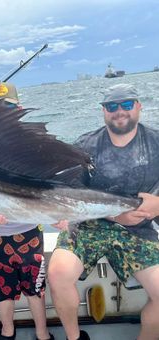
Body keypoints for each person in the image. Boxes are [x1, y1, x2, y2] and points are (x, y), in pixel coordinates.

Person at [47, 83, 159, 340]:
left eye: (127, 104)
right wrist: (59, 212)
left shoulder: (156, 142)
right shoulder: (85, 145)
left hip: (138, 230)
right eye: (112, 106)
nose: (120, 111)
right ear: (104, 111)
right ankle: (74, 338)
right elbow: (65, 190)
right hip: (88, 225)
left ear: (139, 106)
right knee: (58, 273)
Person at [0, 83, 54, 340]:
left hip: (29, 231)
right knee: (2, 290)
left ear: (19, 109)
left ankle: (42, 333)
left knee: (36, 288)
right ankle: (7, 331)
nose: (3, 113)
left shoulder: (33, 145)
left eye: (8, 107)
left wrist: (59, 214)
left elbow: (47, 185)